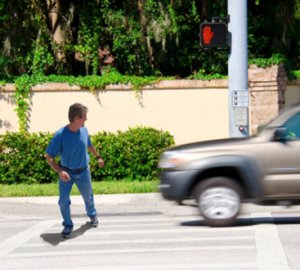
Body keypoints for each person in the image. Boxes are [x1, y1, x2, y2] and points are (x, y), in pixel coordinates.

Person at [45, 103, 105, 239]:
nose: (86, 119)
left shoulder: (84, 130)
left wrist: (98, 157)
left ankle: (92, 215)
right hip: (66, 173)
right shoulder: (60, 134)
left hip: (83, 172)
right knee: (63, 201)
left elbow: (89, 145)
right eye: (84, 116)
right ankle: (67, 224)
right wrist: (60, 171)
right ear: (77, 117)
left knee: (88, 197)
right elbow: (49, 157)